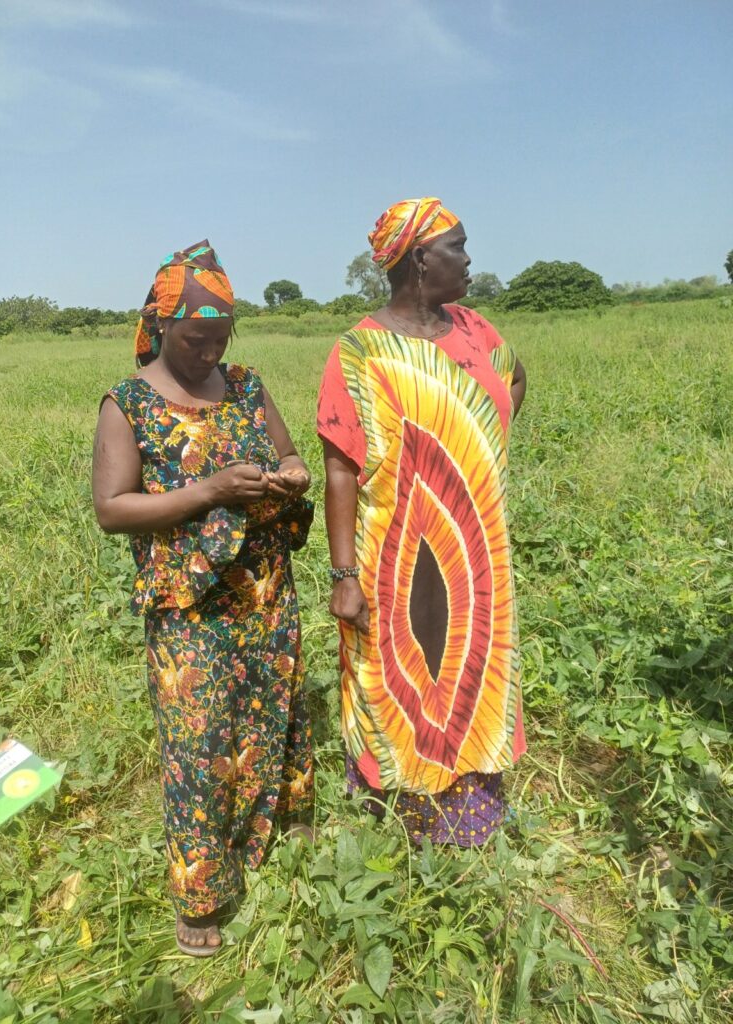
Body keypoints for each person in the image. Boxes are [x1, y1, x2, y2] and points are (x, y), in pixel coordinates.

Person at [93, 241, 314, 955]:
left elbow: (289, 455)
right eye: (196, 338)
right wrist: (210, 492)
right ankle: (201, 895)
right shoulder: (129, 403)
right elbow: (113, 507)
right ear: (161, 329)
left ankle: (284, 827)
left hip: (265, 590)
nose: (210, 351)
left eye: (221, 337)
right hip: (189, 606)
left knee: (273, 712)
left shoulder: (246, 385)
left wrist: (291, 477)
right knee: (197, 741)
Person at [317, 198, 527, 848]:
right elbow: (340, 472)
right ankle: (403, 824)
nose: (468, 259)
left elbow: (515, 379)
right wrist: (345, 573)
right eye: (457, 247)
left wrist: (476, 442)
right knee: (400, 674)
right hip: (395, 552)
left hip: (479, 550)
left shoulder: (478, 330)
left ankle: (472, 819)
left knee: (475, 672)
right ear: (418, 259)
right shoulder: (358, 354)